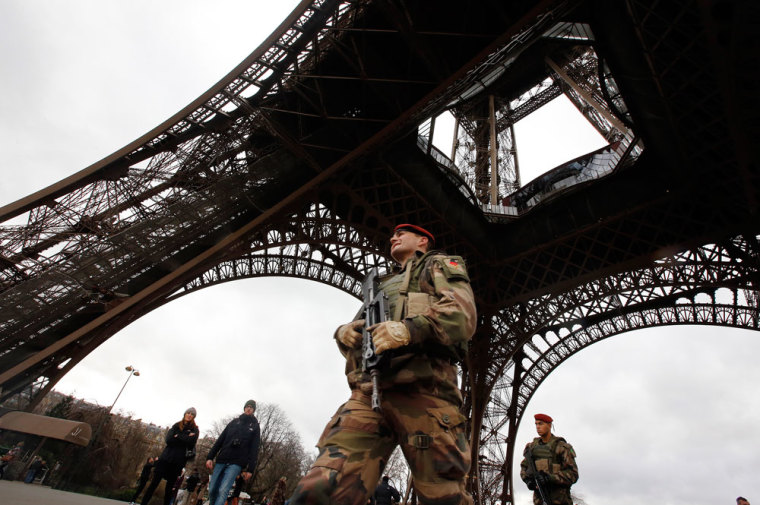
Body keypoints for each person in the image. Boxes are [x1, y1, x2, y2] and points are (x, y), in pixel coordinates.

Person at [289, 223, 477, 505]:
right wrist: (343, 334)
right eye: (392, 234)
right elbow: (361, 331)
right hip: (369, 393)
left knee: (444, 497)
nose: (393, 237)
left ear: (423, 241)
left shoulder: (438, 265)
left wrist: (408, 330)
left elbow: (462, 316)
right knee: (321, 488)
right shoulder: (381, 285)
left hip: (425, 393)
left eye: (402, 234)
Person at [205, 400, 261, 505]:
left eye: (251, 407)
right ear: (244, 408)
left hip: (236, 463)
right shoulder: (234, 422)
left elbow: (254, 449)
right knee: (212, 489)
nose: (249, 408)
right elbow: (220, 440)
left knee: (223, 490)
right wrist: (210, 457)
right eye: (247, 406)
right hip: (222, 458)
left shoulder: (255, 426)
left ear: (253, 410)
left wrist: (250, 469)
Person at [142, 407, 199, 505]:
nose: (189, 415)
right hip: (166, 458)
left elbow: (191, 443)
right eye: (188, 413)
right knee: (153, 484)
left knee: (169, 488)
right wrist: (185, 437)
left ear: (194, 417)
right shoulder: (176, 425)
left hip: (178, 461)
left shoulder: (195, 429)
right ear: (185, 414)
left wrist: (178, 436)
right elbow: (169, 440)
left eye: (192, 414)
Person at [519, 413, 578, 505]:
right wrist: (528, 481)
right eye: (536, 424)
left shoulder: (562, 447)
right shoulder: (532, 448)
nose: (538, 427)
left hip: (560, 501)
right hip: (540, 500)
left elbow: (573, 475)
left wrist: (549, 478)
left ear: (549, 425)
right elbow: (524, 468)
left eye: (541, 424)